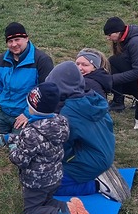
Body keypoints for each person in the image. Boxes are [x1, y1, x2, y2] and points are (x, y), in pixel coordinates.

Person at [5, 82, 93, 214]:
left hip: (37, 181)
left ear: (34, 107)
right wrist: (15, 138)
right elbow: (41, 143)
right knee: (45, 200)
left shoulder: (30, 133)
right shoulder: (61, 122)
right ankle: (70, 207)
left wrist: (13, 147)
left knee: (32, 210)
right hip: (55, 177)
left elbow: (20, 159)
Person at [46, 61, 129, 202]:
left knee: (48, 187)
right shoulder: (93, 99)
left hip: (90, 161)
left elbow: (62, 148)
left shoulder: (68, 113)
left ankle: (97, 185)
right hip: (104, 153)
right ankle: (102, 171)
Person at [0, 22, 54, 141]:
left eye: (17, 39)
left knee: (19, 143)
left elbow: (44, 93)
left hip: (26, 112)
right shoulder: (2, 60)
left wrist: (27, 114)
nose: (14, 44)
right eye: (10, 41)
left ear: (26, 38)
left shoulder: (42, 60)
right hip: (5, 111)